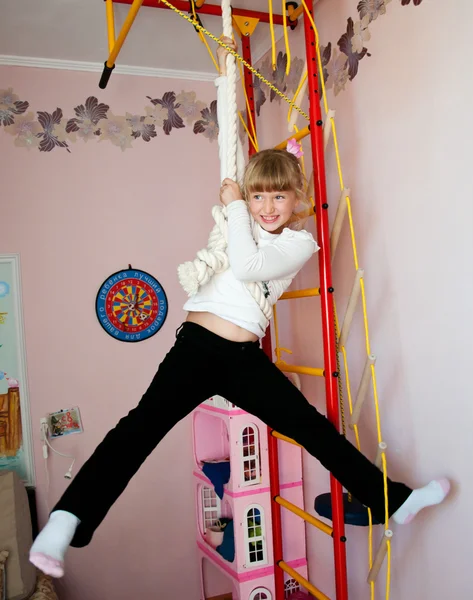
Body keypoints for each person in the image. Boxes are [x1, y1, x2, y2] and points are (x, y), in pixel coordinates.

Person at [29, 38, 450, 579]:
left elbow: (251, 268)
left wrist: (233, 209)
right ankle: (67, 520)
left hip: (243, 358)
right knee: (136, 431)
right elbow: (230, 243)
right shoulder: (238, 223)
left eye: (279, 198)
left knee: (313, 430)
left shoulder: (298, 243)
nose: (268, 207)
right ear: (250, 199)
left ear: (296, 200)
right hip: (196, 348)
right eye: (258, 198)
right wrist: (232, 202)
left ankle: (392, 499)